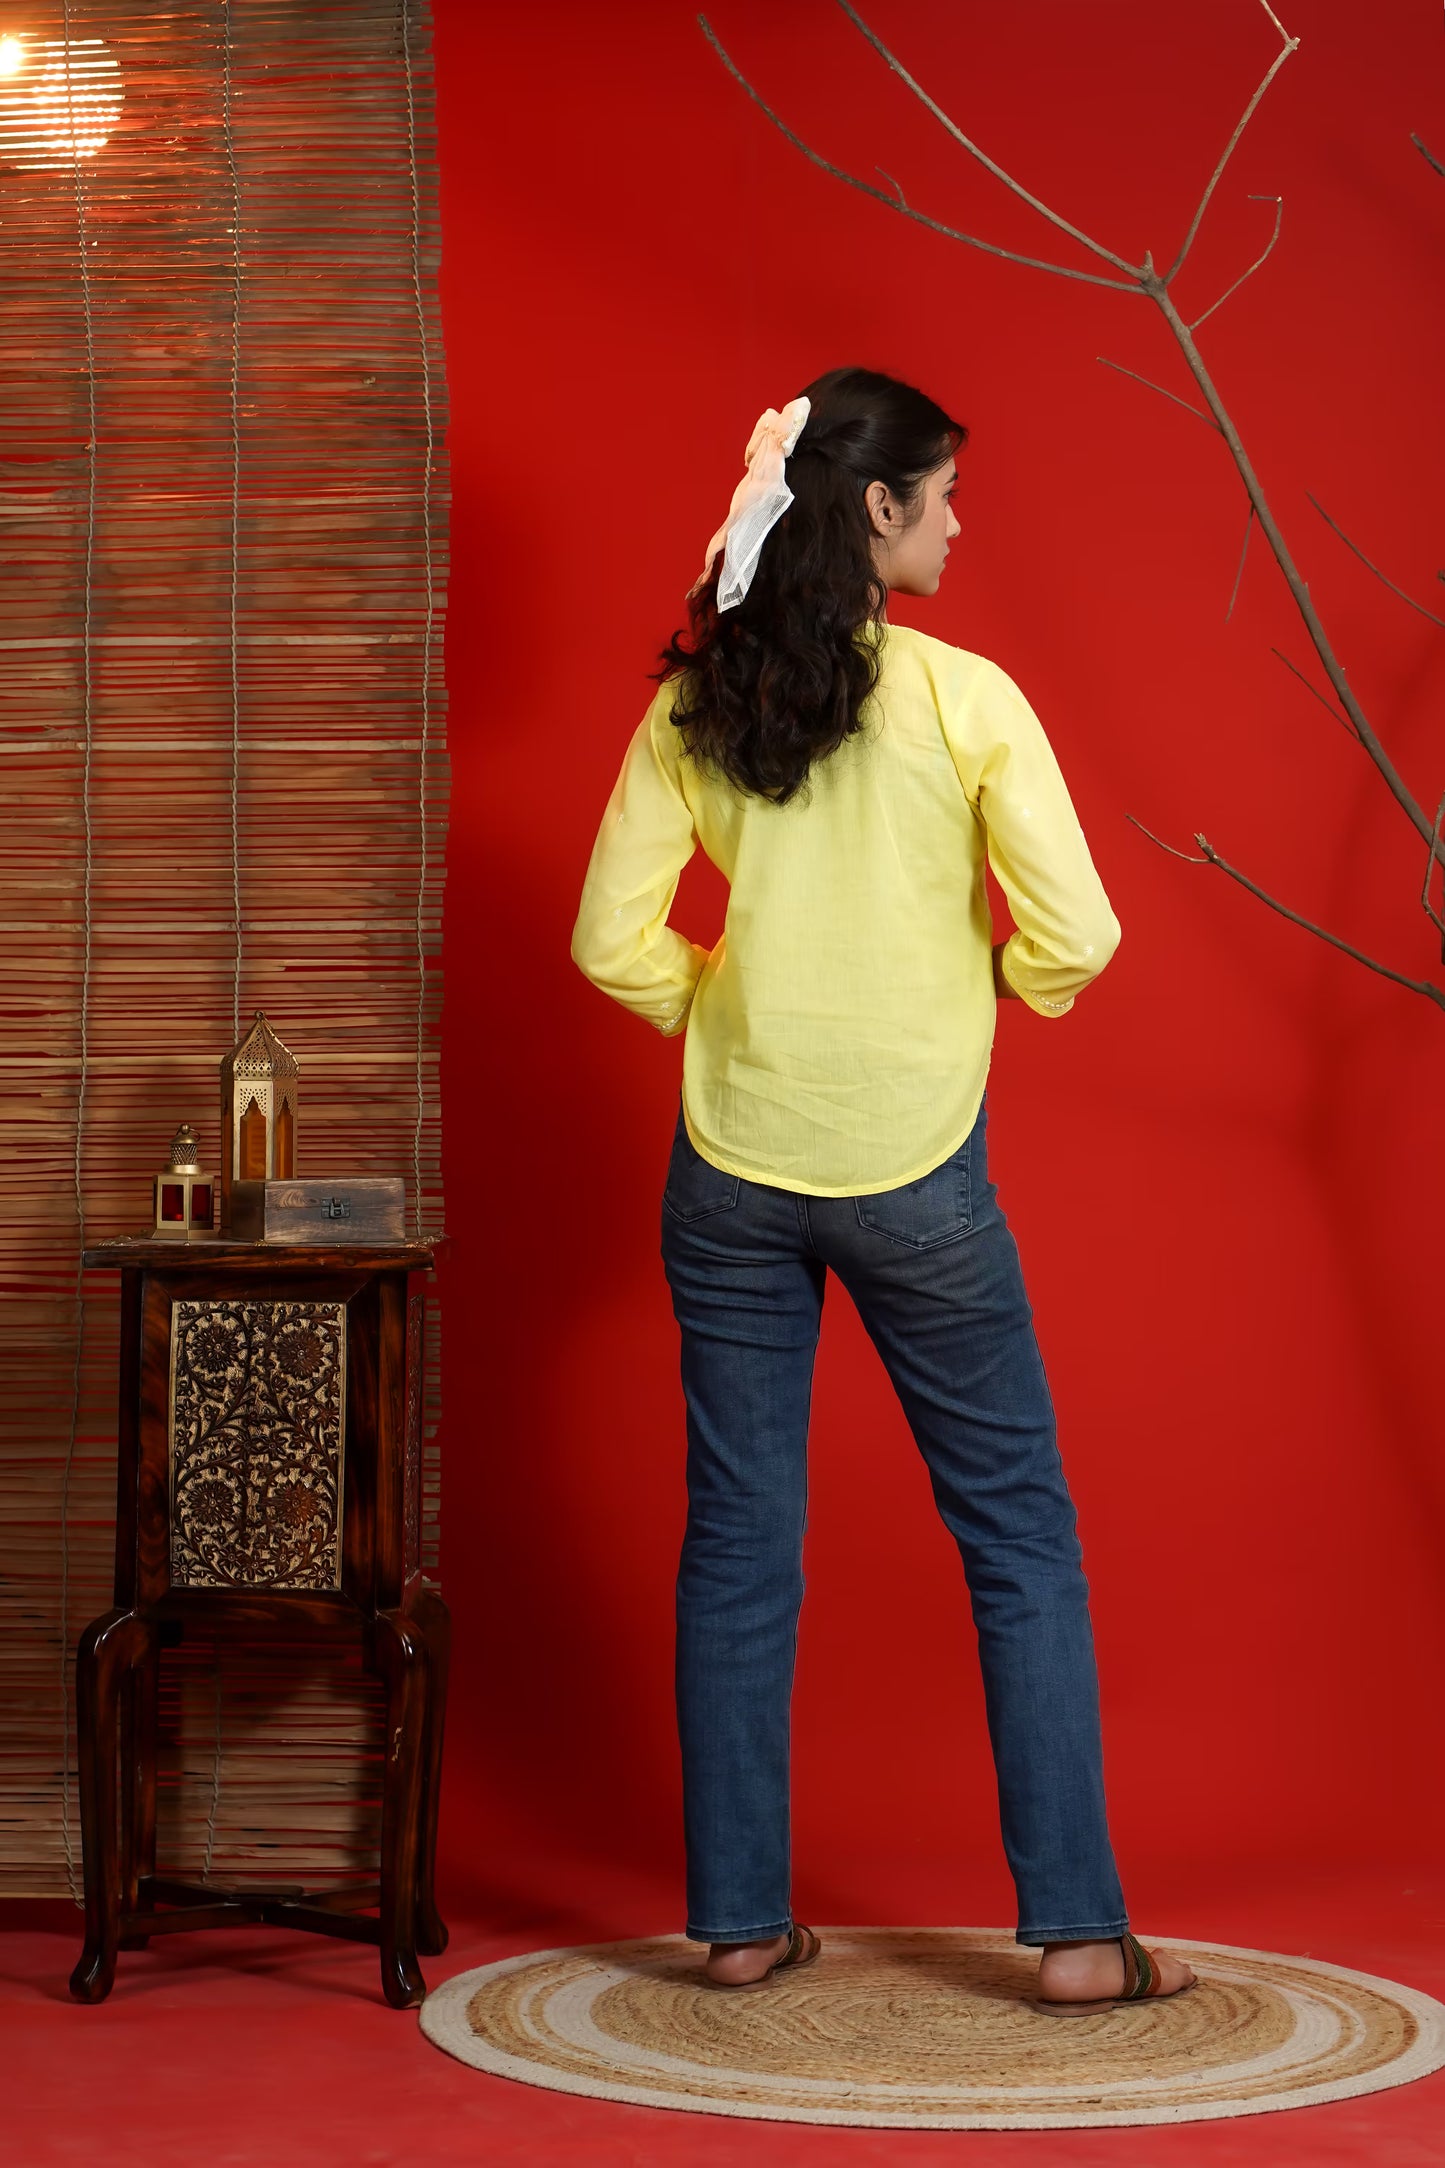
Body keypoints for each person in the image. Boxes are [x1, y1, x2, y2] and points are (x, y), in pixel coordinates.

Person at [569, 365, 1196, 2017]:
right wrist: (967, 992)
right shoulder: (962, 700)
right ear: (874, 510)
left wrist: (717, 999)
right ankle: (1070, 1933)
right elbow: (1078, 937)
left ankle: (736, 1925)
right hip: (919, 1174)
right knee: (1017, 1540)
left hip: (726, 1173)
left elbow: (603, 941)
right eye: (943, 494)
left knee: (736, 1544)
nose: (958, 522)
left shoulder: (694, 705)